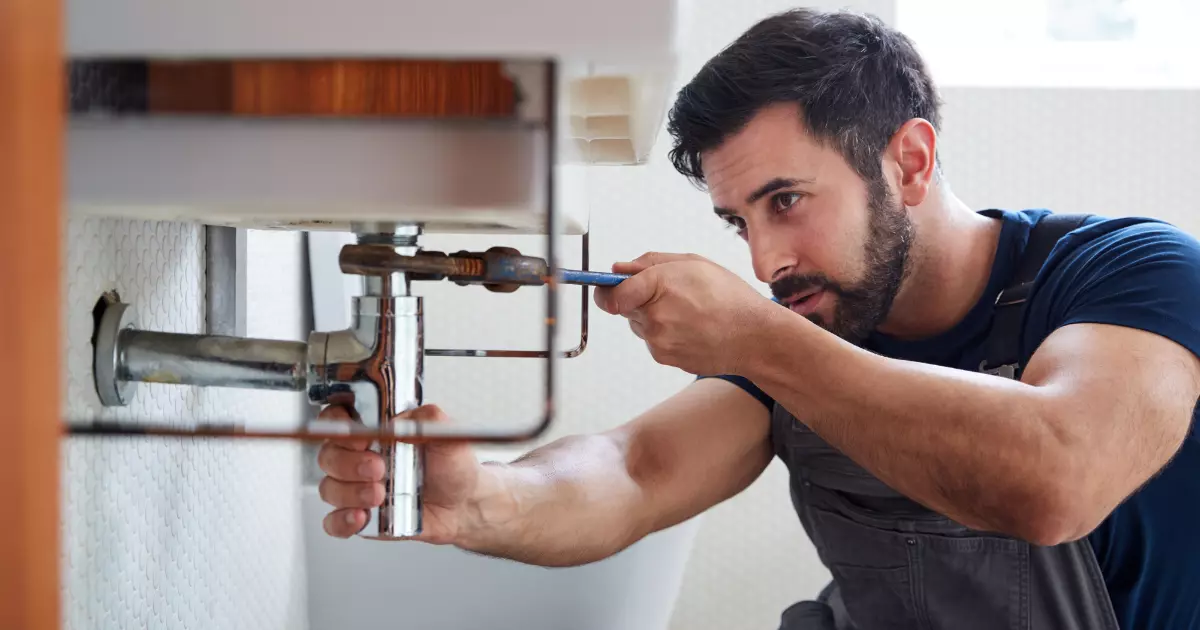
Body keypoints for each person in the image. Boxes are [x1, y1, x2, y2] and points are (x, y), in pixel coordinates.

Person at [314, 8, 1200, 630]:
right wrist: (485, 501)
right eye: (740, 222)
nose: (766, 261)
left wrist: (756, 335)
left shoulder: (1131, 274)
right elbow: (635, 468)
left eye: (787, 200)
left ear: (911, 161)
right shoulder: (806, 328)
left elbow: (1056, 482)